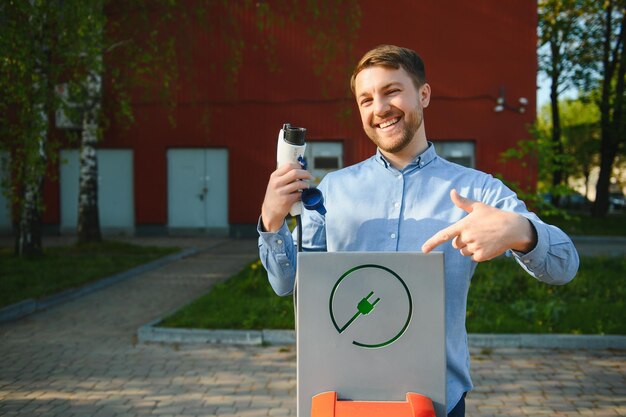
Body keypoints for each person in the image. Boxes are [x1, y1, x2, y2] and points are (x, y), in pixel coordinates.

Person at [257, 44, 579, 417]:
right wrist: (272, 222)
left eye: (391, 91)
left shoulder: (479, 191)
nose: (379, 108)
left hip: (435, 402)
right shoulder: (331, 191)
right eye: (366, 99)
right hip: (342, 400)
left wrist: (522, 231)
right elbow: (288, 285)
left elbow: (564, 265)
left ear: (423, 94)